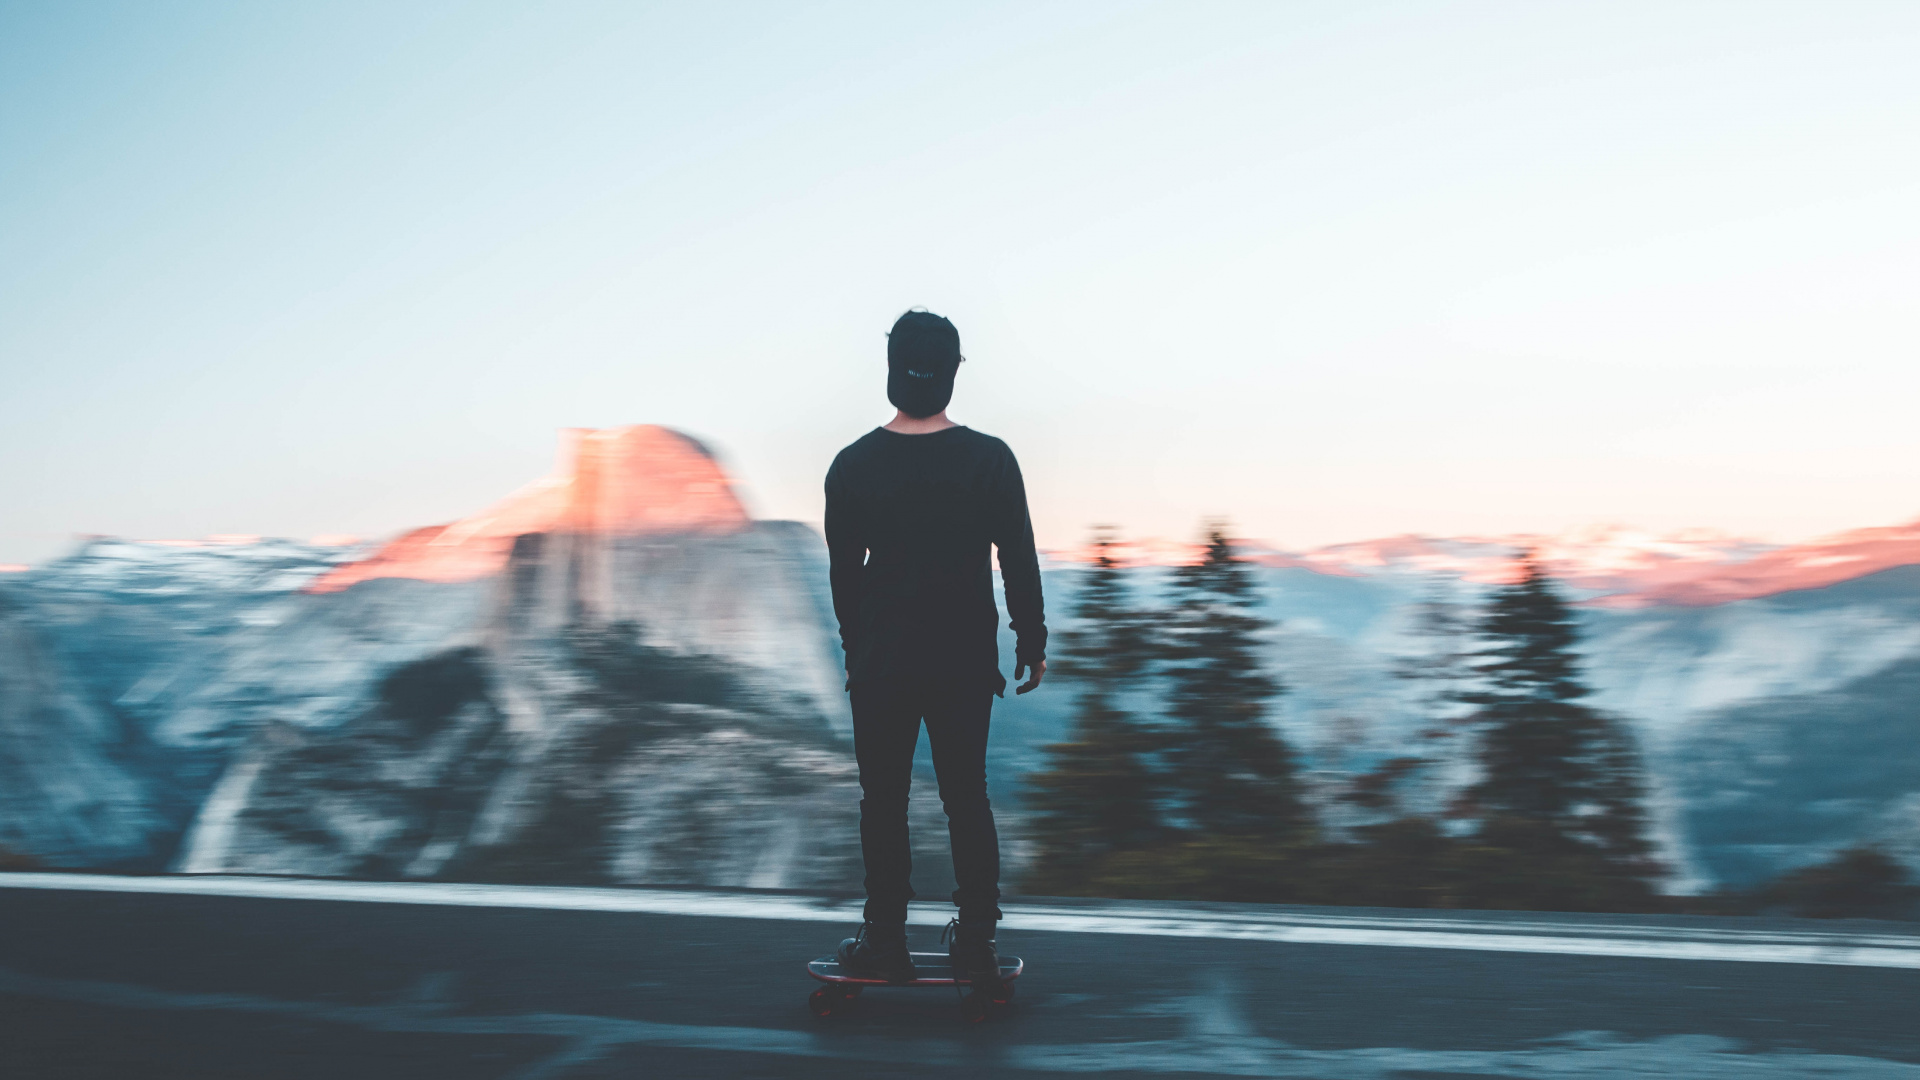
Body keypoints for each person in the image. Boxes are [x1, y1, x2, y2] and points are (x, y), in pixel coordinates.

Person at [824, 309, 1048, 988]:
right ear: (952, 374)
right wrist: (1029, 636)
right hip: (961, 659)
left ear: (892, 367)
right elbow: (1018, 556)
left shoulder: (852, 466)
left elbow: (844, 574)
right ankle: (976, 938)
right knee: (967, 797)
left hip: (883, 659)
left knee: (882, 800)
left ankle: (884, 938)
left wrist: (854, 648)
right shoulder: (990, 459)